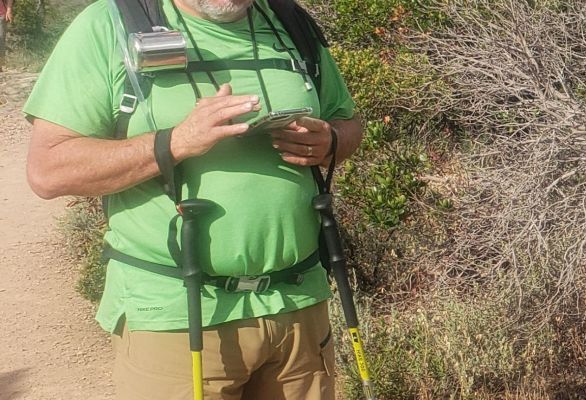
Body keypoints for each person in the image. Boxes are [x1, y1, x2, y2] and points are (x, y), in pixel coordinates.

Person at [22, 0, 362, 398]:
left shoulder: (291, 22)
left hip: (300, 303)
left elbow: (348, 123)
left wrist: (330, 141)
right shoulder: (110, 24)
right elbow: (48, 170)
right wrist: (174, 143)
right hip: (176, 315)